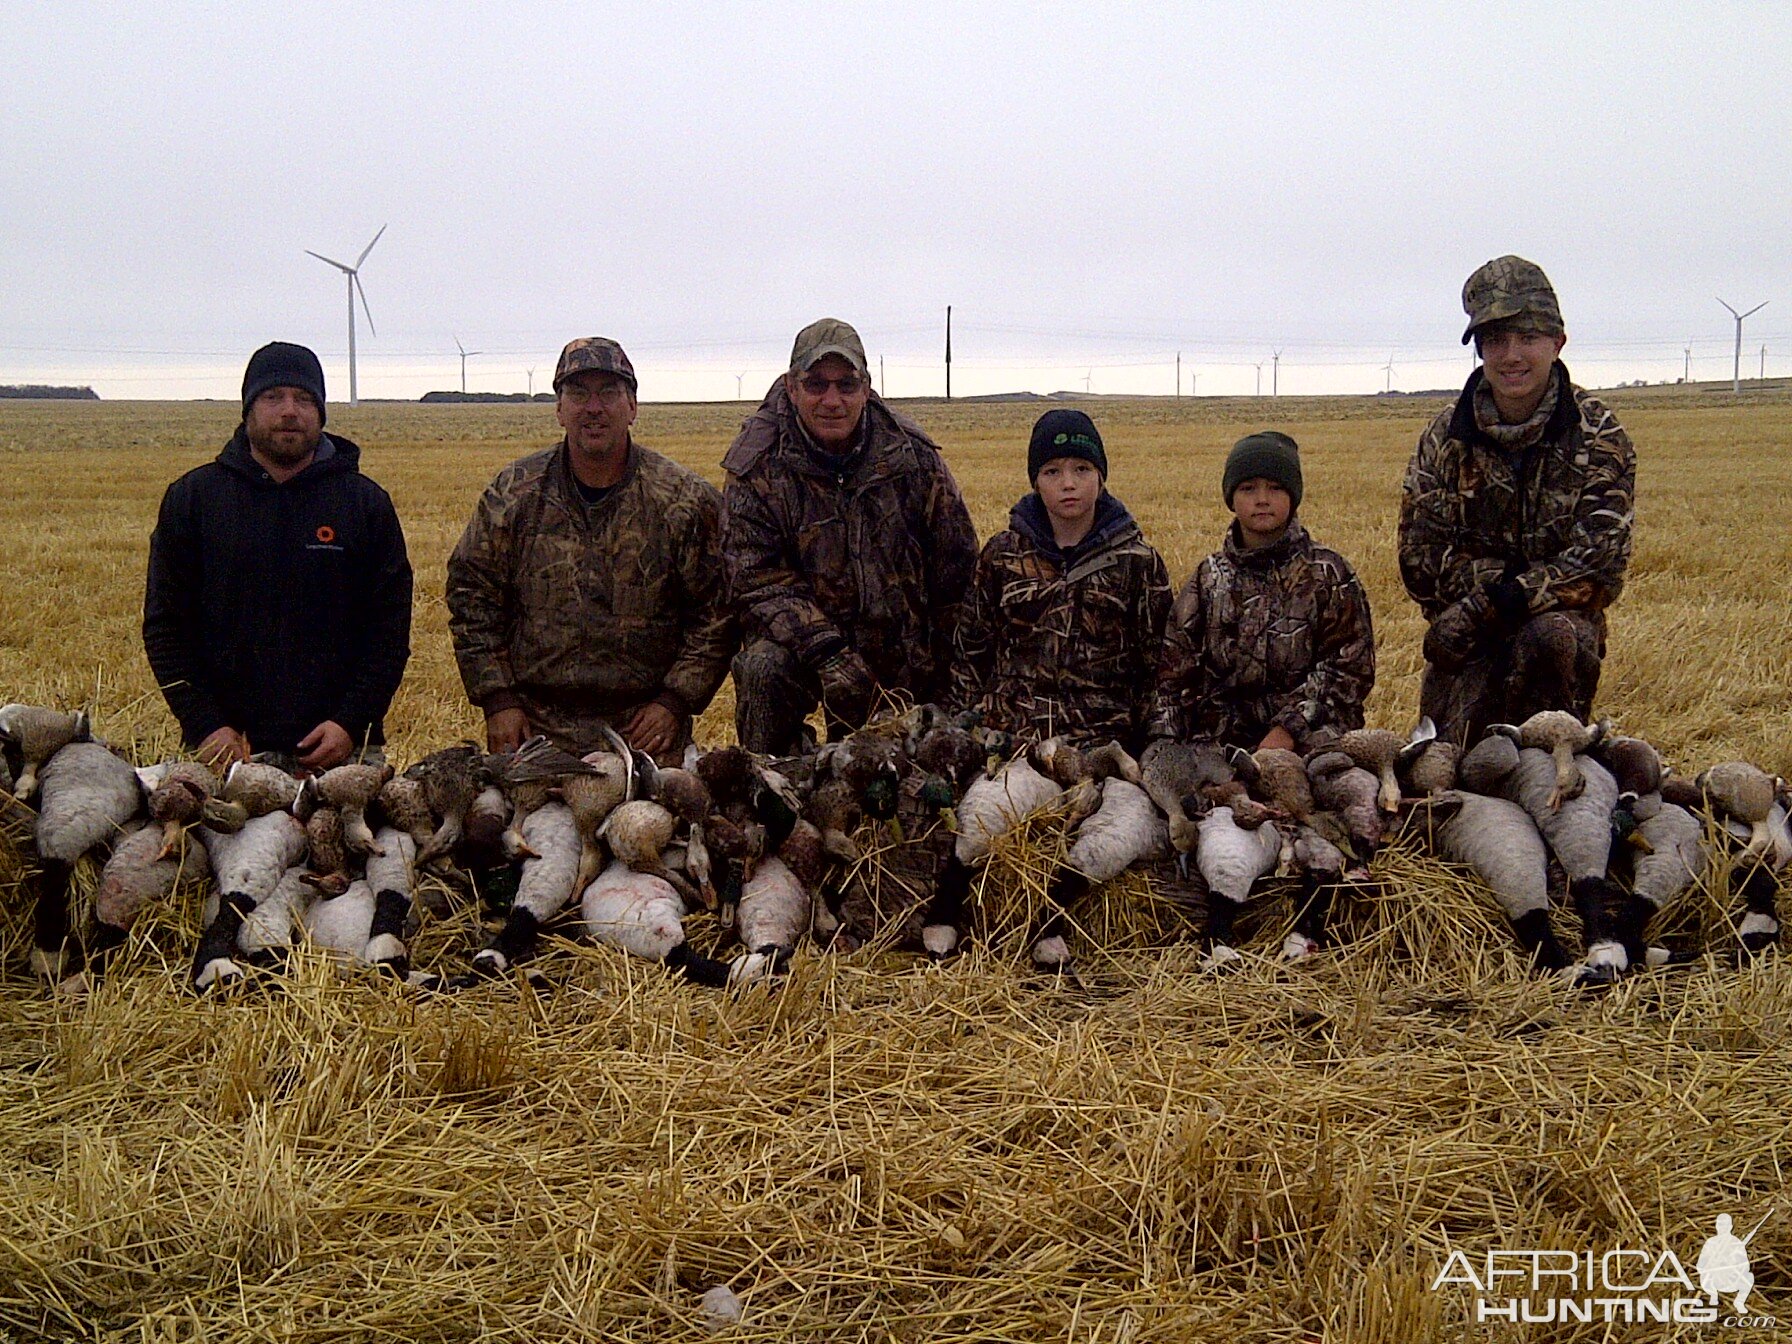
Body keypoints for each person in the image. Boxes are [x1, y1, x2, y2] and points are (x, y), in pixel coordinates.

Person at [446, 337, 733, 759]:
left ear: (633, 406)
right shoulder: (514, 493)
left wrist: (674, 702)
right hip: (532, 725)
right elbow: (472, 595)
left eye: (609, 393)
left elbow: (718, 609)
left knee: (664, 822)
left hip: (643, 727)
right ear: (559, 409)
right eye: (578, 393)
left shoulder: (683, 500)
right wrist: (498, 700)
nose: (593, 407)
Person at [1398, 255, 1636, 748]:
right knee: (1449, 769)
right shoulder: (1444, 437)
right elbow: (1418, 559)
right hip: (1466, 632)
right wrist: (1491, 602)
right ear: (1480, 349)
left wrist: (1505, 599)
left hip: (1553, 631)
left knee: (1553, 640)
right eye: (1496, 341)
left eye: (1527, 338)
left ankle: (1559, 754)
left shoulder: (1599, 435)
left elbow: (1598, 566)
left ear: (1558, 342)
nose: (1512, 355)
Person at [144, 341, 412, 774]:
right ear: (248, 409)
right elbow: (166, 628)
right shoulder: (194, 499)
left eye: (305, 399)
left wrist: (349, 723)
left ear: (321, 413)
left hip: (342, 757)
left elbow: (389, 633)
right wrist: (205, 726)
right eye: (273, 397)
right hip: (225, 755)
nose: (290, 411)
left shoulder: (365, 504)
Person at [722, 318, 978, 754]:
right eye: (816, 384)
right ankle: (772, 780)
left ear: (866, 387)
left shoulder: (912, 457)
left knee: (924, 766)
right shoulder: (757, 465)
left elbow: (958, 570)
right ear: (791, 386)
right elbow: (754, 580)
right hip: (807, 648)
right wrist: (828, 652)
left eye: (846, 384)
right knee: (764, 667)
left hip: (900, 641)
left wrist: (957, 681)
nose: (832, 400)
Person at [950, 409, 1171, 750]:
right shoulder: (1002, 556)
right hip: (1009, 743)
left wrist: (1154, 745)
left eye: (1081, 469)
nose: (1068, 483)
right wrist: (960, 733)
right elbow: (972, 653)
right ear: (1035, 481)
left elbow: (1159, 668)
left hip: (1103, 747)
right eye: (1052, 471)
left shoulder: (1137, 562)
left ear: (1101, 476)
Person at [1148, 431, 1374, 754]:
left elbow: (1349, 670)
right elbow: (1173, 677)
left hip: (1309, 739)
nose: (1262, 498)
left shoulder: (1328, 574)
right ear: (1231, 497)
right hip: (1221, 744)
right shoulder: (1208, 578)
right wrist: (1163, 745)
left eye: (1275, 487)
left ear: (1293, 496)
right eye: (1248, 488)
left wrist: (1289, 729)